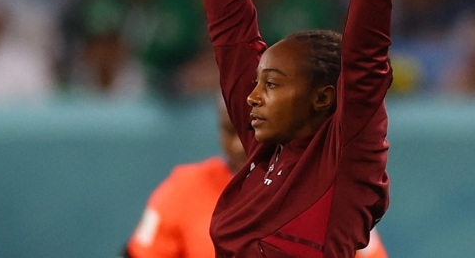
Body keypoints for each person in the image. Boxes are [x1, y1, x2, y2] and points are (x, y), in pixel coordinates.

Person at [172, 0, 397, 257]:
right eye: (259, 82)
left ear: (323, 97)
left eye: (271, 84)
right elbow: (231, 32)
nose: (253, 96)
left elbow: (366, 55)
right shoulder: (263, 150)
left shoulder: (346, 161)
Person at [121, 102, 388, 258]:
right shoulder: (185, 188)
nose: (239, 146)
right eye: (229, 131)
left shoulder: (327, 193)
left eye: (251, 131)